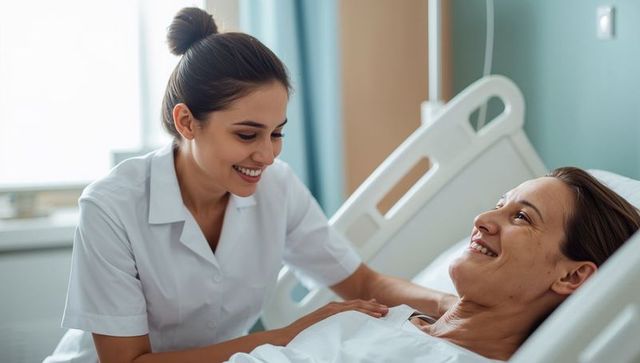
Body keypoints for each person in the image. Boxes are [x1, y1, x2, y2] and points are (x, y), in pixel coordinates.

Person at [43, 7, 455, 363]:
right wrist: (294, 332)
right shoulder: (112, 207)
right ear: (187, 122)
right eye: (246, 135)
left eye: (277, 133)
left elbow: (363, 283)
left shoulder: (278, 188)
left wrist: (447, 302)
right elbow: (126, 361)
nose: (268, 155)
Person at [226, 167, 640, 362]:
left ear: (572, 275)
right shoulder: (379, 317)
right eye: (499, 204)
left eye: (521, 217)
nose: (482, 220)